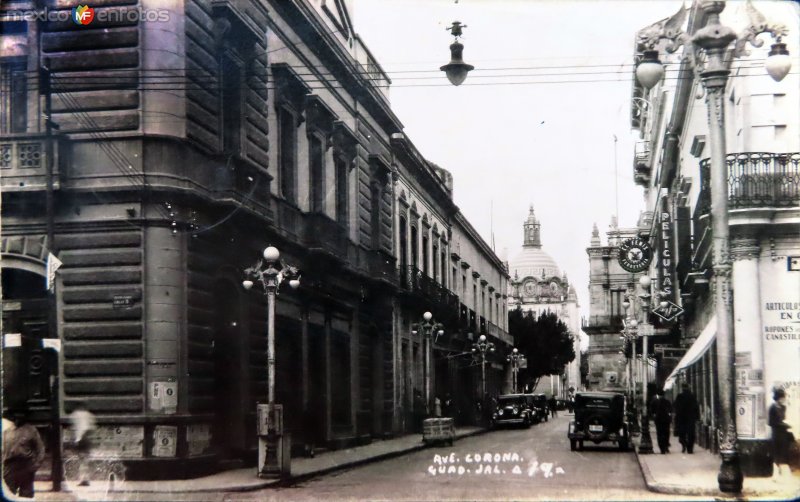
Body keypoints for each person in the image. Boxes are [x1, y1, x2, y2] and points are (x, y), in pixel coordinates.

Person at [2, 409, 46, 498]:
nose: (18, 417)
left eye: (21, 415)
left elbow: (40, 449)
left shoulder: (31, 430)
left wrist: (35, 465)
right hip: (10, 466)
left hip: (25, 466)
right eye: (16, 415)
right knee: (8, 493)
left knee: (26, 495)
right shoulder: (7, 430)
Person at [68, 401, 96, 486]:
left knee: (81, 460)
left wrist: (75, 440)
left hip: (79, 439)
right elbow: (92, 428)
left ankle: (84, 479)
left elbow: (73, 429)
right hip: (86, 438)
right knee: (85, 460)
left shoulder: (73, 415)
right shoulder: (89, 415)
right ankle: (86, 479)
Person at [768, 388, 792, 476]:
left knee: (784, 453)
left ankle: (784, 473)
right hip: (776, 433)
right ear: (778, 398)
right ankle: (776, 473)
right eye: (782, 398)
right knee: (776, 453)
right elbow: (771, 422)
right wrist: (783, 424)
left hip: (784, 434)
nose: (784, 400)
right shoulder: (772, 408)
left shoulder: (783, 407)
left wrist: (786, 424)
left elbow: (784, 419)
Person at [673, 383, 700, 454]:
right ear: (688, 387)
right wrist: (697, 417)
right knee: (691, 433)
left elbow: (676, 407)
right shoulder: (692, 396)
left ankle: (684, 445)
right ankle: (690, 448)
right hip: (690, 417)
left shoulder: (679, 396)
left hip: (681, 418)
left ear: (682, 388)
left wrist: (677, 417)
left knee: (682, 433)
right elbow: (696, 407)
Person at [650, 389, 673, 454]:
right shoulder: (667, 401)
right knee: (666, 433)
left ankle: (662, 448)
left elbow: (652, 411)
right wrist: (669, 415)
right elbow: (670, 410)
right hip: (666, 420)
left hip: (658, 420)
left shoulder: (654, 402)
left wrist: (654, 416)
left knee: (659, 434)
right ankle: (666, 446)